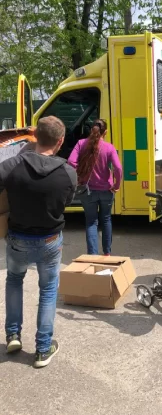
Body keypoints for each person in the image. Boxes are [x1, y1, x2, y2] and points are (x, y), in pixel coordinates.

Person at [1, 116, 77, 368]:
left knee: (14, 280)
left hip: (18, 239)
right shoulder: (68, 172)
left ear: (34, 136)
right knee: (47, 291)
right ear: (60, 141)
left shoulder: (11, 165)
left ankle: (13, 335)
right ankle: (43, 349)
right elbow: (65, 203)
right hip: (49, 240)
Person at [68, 119, 122, 255]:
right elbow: (118, 168)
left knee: (91, 222)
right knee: (106, 219)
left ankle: (93, 255)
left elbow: (70, 161)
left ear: (92, 130)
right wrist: (116, 185)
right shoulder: (109, 147)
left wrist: (80, 174)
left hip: (87, 190)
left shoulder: (81, 144)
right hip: (106, 190)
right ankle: (107, 253)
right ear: (106, 132)